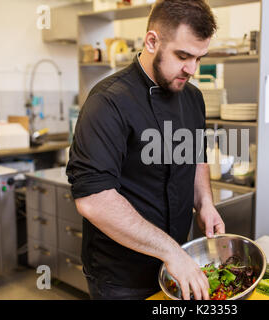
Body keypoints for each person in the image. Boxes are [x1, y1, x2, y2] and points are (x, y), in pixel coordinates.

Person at [66, 0, 225, 300]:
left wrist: (204, 203)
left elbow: (196, 157)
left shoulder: (192, 97)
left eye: (199, 58)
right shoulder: (108, 102)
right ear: (152, 41)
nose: (191, 69)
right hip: (121, 278)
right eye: (183, 56)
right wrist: (172, 252)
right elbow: (94, 201)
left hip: (177, 264)